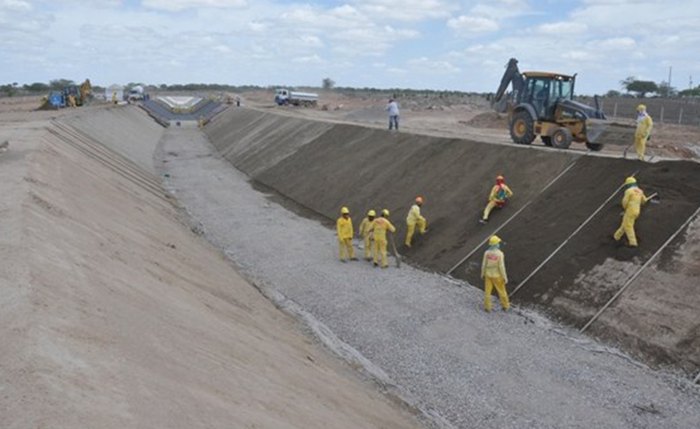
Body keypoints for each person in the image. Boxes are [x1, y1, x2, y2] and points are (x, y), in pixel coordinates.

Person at [613, 176, 649, 247]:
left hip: (630, 210)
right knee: (625, 223)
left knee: (628, 226)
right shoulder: (640, 191)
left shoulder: (628, 191)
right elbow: (644, 201)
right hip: (637, 211)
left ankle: (633, 242)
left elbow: (625, 201)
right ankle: (616, 236)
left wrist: (625, 208)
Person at [481, 235, 510, 312]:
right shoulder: (500, 254)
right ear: (496, 244)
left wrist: (482, 273)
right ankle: (505, 306)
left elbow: (484, 264)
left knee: (487, 291)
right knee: (502, 291)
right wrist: (505, 277)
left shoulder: (487, 253)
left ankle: (487, 307)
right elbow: (501, 267)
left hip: (488, 274)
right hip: (497, 276)